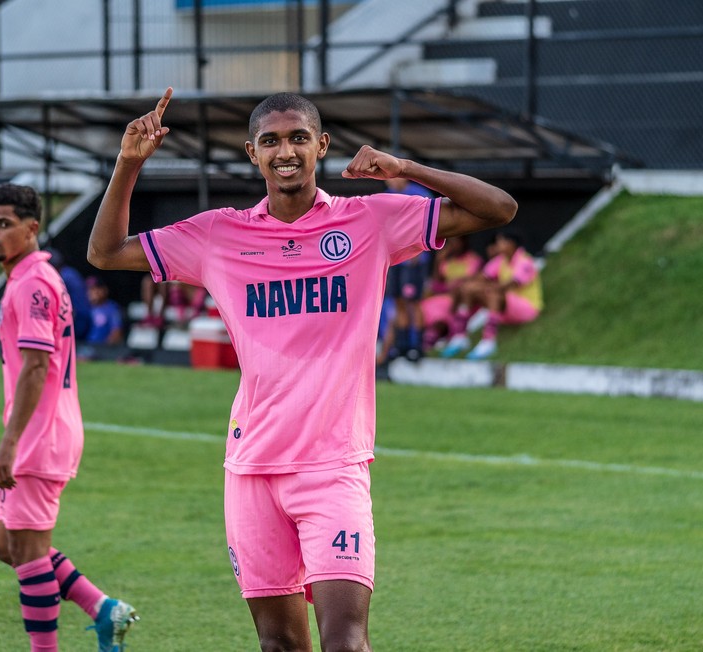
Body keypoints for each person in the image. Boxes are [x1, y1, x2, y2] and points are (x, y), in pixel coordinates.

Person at [89, 88, 516, 651]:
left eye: (297, 138)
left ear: (322, 145)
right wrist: (129, 164)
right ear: (252, 153)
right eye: (270, 141)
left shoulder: (368, 221)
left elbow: (499, 209)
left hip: (333, 467)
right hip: (252, 470)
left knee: (345, 642)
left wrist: (404, 167)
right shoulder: (219, 234)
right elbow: (105, 252)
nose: (284, 151)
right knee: (280, 646)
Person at [0, 183, 138, 652]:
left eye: (4, 224)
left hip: (39, 434)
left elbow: (35, 366)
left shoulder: (32, 282)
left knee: (27, 556)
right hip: (40, 428)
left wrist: (10, 442)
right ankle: (102, 607)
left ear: (32, 228)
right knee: (6, 546)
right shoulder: (30, 277)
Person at [441, 231, 543, 360]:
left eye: (500, 241)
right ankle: (460, 335)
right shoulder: (500, 260)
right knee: (468, 289)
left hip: (527, 309)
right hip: (505, 307)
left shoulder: (524, 260)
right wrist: (465, 284)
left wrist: (483, 288)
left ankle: (489, 340)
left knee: (493, 293)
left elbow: (509, 285)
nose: (497, 245)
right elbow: (481, 277)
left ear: (511, 243)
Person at [376, 178, 433, 363]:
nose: (389, 182)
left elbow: (428, 223)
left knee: (413, 302)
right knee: (398, 301)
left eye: (391, 177)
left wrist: (417, 248)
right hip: (395, 260)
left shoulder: (420, 193)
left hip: (413, 260)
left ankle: (416, 346)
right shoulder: (386, 196)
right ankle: (401, 346)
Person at [419, 234, 484, 349]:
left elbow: (475, 282)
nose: (452, 245)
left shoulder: (473, 260)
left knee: (440, 311)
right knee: (426, 306)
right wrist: (438, 261)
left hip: (462, 300)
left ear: (463, 242)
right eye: (450, 242)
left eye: (455, 241)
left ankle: (439, 339)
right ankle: (428, 342)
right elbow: (436, 285)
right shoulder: (447, 262)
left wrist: (457, 283)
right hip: (444, 298)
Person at [85, 275, 124, 345]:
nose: (92, 292)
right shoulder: (85, 308)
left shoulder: (112, 309)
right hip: (84, 348)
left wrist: (102, 350)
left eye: (96, 289)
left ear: (105, 290)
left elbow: (116, 334)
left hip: (103, 350)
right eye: (90, 289)